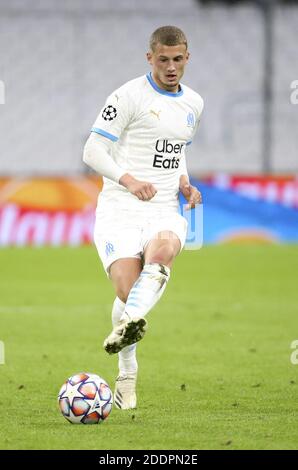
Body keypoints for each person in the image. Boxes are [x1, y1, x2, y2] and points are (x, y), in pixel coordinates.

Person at [83, 25, 204, 410]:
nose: (171, 67)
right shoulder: (127, 96)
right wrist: (129, 179)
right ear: (150, 58)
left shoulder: (194, 104)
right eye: (163, 60)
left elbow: (175, 148)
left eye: (178, 59)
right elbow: (92, 151)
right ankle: (127, 369)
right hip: (119, 208)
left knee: (164, 251)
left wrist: (184, 182)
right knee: (126, 289)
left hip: (163, 207)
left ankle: (131, 323)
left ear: (187, 58)